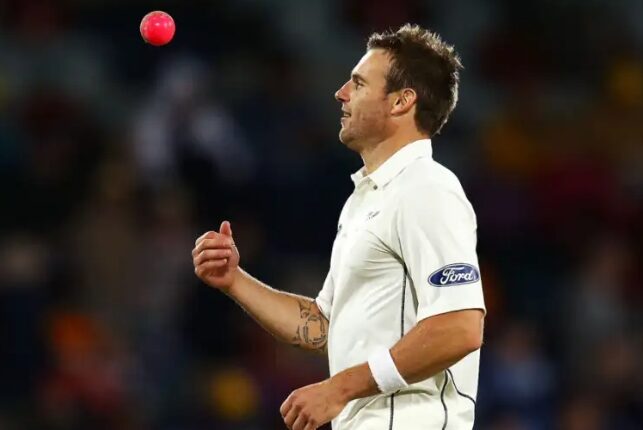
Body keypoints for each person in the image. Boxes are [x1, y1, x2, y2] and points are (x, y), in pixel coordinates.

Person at [192, 24, 486, 430]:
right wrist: (234, 280)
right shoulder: (365, 200)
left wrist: (339, 388)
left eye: (359, 83)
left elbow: (459, 328)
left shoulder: (426, 188)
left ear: (402, 101)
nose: (341, 93)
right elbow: (324, 327)